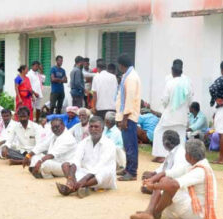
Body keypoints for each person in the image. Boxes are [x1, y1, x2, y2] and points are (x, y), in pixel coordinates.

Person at [129, 140, 220, 219]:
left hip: (197, 215)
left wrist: (153, 186)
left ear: (189, 156)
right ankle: (149, 212)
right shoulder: (196, 164)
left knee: (169, 185)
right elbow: (167, 173)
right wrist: (151, 180)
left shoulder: (200, 170)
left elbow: (174, 185)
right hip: (195, 209)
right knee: (165, 181)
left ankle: (154, 213)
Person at [56, 116, 117, 197]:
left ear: (102, 129)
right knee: (65, 165)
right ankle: (79, 186)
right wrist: (71, 177)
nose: (93, 129)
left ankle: (73, 188)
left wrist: (84, 179)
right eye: (91, 127)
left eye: (96, 127)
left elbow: (101, 165)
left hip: (100, 177)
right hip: (85, 174)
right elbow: (76, 160)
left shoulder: (109, 144)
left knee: (105, 173)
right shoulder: (84, 142)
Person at [152, 61, 192, 162]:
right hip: (182, 115)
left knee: (159, 132)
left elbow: (165, 100)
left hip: (170, 114)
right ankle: (180, 157)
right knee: (180, 135)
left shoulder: (170, 82)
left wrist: (166, 107)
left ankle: (161, 155)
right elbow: (190, 100)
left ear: (172, 71)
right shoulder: (187, 83)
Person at [115, 53, 141, 182]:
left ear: (121, 65)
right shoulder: (128, 75)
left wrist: (124, 119)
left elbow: (129, 99)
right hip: (127, 115)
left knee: (130, 145)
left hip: (129, 116)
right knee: (128, 144)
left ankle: (132, 172)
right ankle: (128, 168)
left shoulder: (131, 78)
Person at [141, 130, 189, 194]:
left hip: (175, 182)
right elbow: (164, 166)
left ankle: (157, 190)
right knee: (146, 175)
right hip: (168, 176)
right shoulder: (173, 150)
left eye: (162, 141)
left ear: (166, 143)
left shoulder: (180, 154)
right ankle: (156, 187)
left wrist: (155, 181)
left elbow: (174, 174)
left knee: (160, 180)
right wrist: (154, 173)